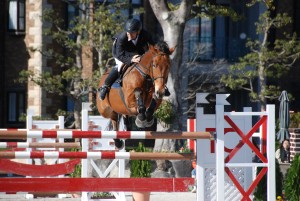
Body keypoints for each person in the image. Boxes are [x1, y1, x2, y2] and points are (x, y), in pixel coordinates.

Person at [99, 18, 170, 100]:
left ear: (138, 32)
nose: (129, 34)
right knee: (119, 66)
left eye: (132, 33)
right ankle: (105, 86)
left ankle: (161, 85)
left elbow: (154, 45)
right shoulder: (122, 38)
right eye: (128, 32)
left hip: (136, 52)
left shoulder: (145, 34)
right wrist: (130, 60)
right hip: (121, 53)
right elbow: (119, 54)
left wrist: (161, 52)